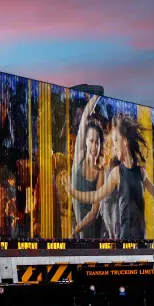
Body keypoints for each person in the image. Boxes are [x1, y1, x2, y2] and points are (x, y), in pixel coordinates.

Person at [63, 114, 154, 240]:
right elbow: (95, 196)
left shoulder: (141, 173)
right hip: (124, 241)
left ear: (125, 141)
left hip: (141, 241)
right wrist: (72, 192)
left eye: (116, 140)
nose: (114, 146)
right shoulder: (116, 173)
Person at [69, 95, 105, 239]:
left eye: (97, 142)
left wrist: (76, 231)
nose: (94, 147)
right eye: (91, 141)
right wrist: (97, 95)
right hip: (76, 232)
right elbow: (85, 116)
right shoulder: (79, 157)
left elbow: (95, 212)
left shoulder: (100, 174)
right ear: (85, 141)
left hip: (90, 234)